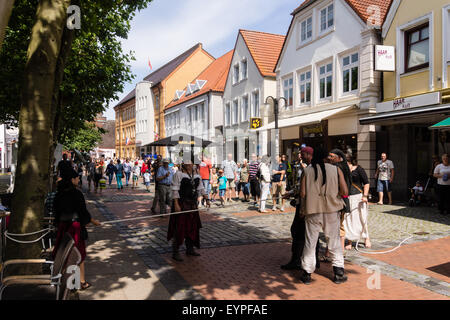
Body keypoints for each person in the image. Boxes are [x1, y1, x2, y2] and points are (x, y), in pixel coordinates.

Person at [299, 146, 348, 285]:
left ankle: (307, 273)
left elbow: (302, 193)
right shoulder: (336, 169)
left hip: (312, 210)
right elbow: (344, 190)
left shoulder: (307, 171)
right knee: (334, 241)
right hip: (332, 209)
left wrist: (303, 209)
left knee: (310, 242)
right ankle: (338, 272)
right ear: (325, 157)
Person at [52, 169, 101, 290]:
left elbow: (56, 213)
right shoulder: (76, 194)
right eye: (77, 178)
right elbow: (82, 212)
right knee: (79, 254)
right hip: (74, 227)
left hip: (63, 226)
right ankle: (81, 282)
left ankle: (65, 281)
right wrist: (92, 221)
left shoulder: (59, 194)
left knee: (64, 253)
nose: (79, 180)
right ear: (72, 180)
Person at [281, 146, 318, 270]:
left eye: (302, 154)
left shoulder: (309, 169)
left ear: (309, 155)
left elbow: (304, 190)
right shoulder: (314, 168)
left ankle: (297, 260)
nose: (300, 156)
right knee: (311, 233)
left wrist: (301, 207)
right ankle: (314, 259)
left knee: (297, 232)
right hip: (313, 206)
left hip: (305, 205)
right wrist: (291, 193)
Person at [168, 159, 210, 261]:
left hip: (192, 204)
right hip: (181, 204)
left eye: (191, 163)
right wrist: (176, 205)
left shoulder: (196, 174)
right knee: (180, 227)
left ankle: (190, 248)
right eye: (187, 164)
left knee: (193, 226)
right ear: (184, 164)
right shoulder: (178, 174)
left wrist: (207, 198)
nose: (189, 165)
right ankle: (176, 251)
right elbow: (175, 190)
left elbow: (201, 188)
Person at [344, 153, 371, 249]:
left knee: (362, 218)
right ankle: (350, 240)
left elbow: (366, 183)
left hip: (358, 197)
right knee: (348, 219)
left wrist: (365, 195)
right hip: (347, 197)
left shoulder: (359, 169)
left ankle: (366, 238)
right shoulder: (344, 170)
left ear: (349, 160)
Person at [329, 149, 352, 252]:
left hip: (338, 201)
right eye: (329, 156)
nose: (330, 158)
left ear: (339, 158)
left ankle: (337, 251)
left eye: (332, 156)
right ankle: (338, 251)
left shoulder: (337, 168)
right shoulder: (344, 168)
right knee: (339, 225)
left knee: (336, 226)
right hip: (342, 201)